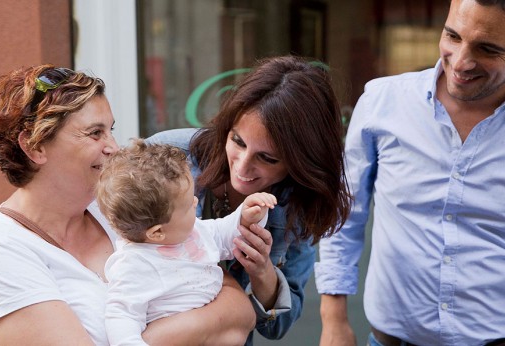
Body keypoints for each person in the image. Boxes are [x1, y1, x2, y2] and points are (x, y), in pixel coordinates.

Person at [315, 0, 505, 345]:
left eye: (487, 49)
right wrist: (333, 320)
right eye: (453, 36)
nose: (461, 62)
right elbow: (344, 214)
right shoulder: (382, 103)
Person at [0, 65, 255, 345]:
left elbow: (239, 316)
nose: (113, 146)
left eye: (111, 130)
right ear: (34, 146)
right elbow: (221, 319)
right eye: (95, 133)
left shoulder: (118, 210)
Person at [146, 55, 352, 344]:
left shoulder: (298, 204)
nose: (242, 168)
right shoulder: (165, 155)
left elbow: (277, 327)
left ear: (300, 162)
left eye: (267, 158)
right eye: (238, 141)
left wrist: (263, 273)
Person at [95, 139, 276, 346]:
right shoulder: (134, 265)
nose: (196, 202)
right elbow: (122, 315)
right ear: (157, 232)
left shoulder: (192, 232)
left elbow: (226, 234)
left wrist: (247, 216)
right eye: (188, 205)